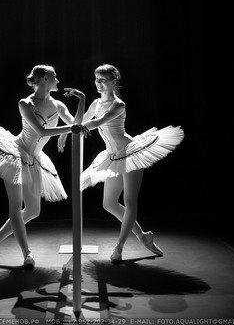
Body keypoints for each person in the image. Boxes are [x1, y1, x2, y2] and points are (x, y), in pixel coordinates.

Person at [0, 64, 89, 269]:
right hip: (15, 153)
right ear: (44, 79)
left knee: (33, 210)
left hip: (34, 158)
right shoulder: (25, 103)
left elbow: (77, 124)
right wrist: (69, 130)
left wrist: (82, 100)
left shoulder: (58, 105)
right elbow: (42, 131)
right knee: (15, 207)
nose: (58, 80)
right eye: (54, 77)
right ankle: (27, 254)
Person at [58, 64, 184, 263]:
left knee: (130, 200)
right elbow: (79, 120)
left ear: (113, 81)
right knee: (108, 203)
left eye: (102, 80)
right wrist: (67, 129)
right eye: (96, 79)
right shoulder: (96, 103)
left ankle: (119, 247)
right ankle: (143, 236)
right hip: (112, 155)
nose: (98, 83)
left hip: (130, 153)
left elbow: (97, 123)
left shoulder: (119, 105)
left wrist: (74, 129)